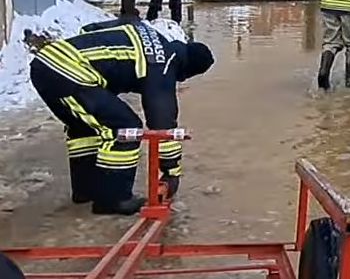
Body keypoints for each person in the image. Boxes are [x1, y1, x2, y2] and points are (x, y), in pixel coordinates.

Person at [27, 19, 215, 215]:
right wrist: (171, 172)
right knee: (125, 128)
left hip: (47, 64)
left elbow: (90, 28)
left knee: (85, 128)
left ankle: (86, 191)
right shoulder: (163, 63)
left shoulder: (150, 37)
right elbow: (163, 125)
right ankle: (113, 199)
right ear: (187, 70)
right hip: (68, 73)